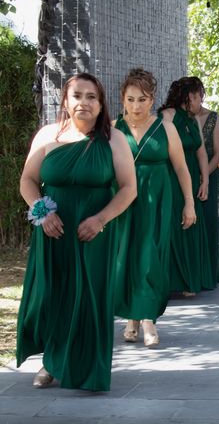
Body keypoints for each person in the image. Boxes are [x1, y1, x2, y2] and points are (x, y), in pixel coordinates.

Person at [16, 73, 137, 391]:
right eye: (77, 96)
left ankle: (87, 368)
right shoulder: (47, 135)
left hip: (94, 234)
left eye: (91, 97)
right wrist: (42, 214)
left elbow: (128, 189)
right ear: (66, 101)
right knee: (52, 295)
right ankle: (51, 362)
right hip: (52, 231)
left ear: (100, 104)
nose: (84, 102)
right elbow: (27, 181)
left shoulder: (114, 139)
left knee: (89, 298)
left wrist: (100, 220)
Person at [113, 68, 196, 348]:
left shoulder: (166, 127)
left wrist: (189, 203)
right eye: (131, 99)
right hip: (124, 200)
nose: (136, 106)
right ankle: (132, 318)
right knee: (127, 257)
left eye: (143, 99)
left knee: (150, 257)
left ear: (152, 100)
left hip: (158, 199)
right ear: (122, 98)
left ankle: (147, 318)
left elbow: (181, 168)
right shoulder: (113, 129)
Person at [159, 77, 215, 295]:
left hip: (192, 176)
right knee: (175, 224)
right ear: (188, 95)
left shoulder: (194, 120)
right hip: (172, 176)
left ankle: (189, 280)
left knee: (192, 225)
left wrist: (205, 180)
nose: (201, 99)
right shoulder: (167, 116)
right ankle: (172, 281)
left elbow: (201, 151)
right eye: (198, 95)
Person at [192, 88, 219, 284]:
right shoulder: (182, 119)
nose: (193, 100)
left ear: (201, 97)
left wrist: (203, 176)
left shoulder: (212, 117)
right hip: (187, 176)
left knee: (208, 221)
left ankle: (210, 272)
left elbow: (218, 154)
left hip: (210, 175)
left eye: (196, 96)